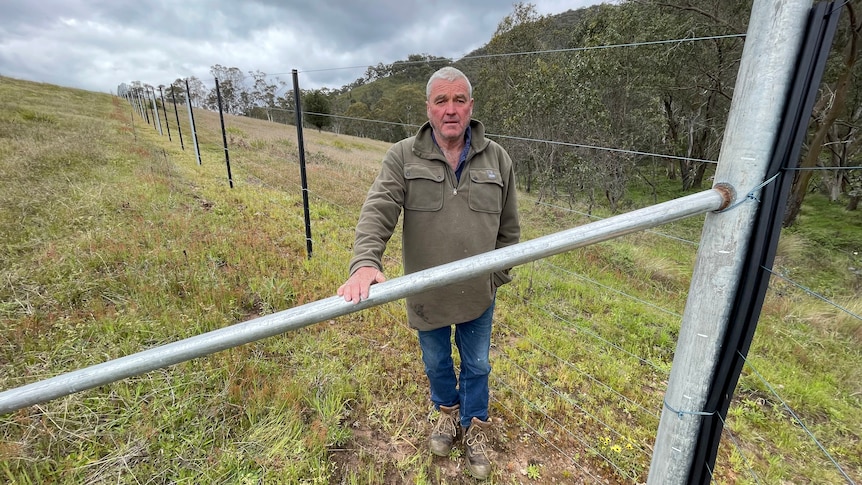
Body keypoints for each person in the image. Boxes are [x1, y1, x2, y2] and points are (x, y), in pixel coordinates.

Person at [337, 66, 520, 480]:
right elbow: (379, 208)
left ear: (471, 107)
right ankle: (448, 414)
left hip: (478, 295)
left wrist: (495, 277)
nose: (450, 109)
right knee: (437, 362)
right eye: (441, 100)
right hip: (426, 293)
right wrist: (366, 262)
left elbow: (510, 231)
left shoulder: (498, 159)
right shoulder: (403, 155)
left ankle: (475, 425)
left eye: (459, 100)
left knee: (478, 366)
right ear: (428, 108)